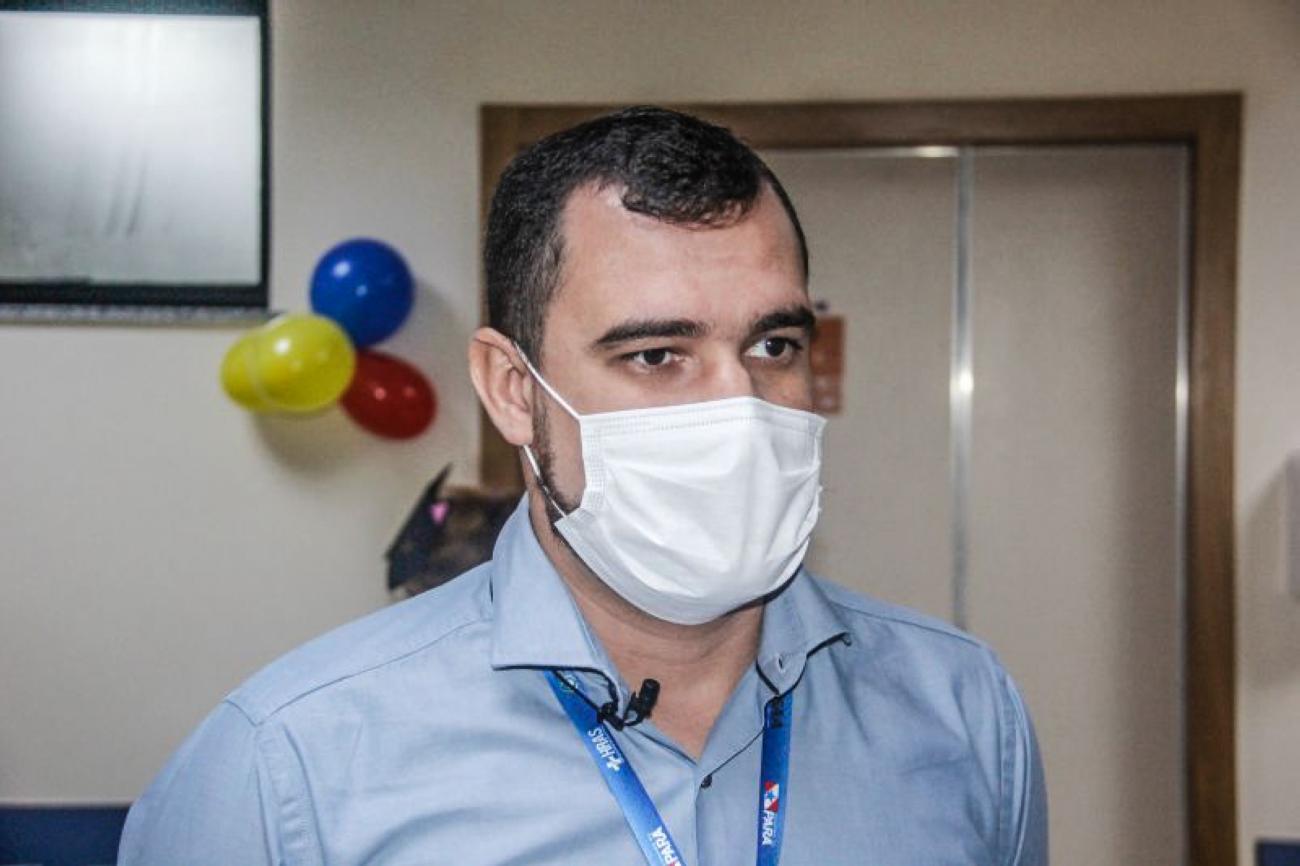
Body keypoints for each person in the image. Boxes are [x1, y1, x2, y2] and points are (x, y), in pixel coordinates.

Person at [118, 106, 1047, 865]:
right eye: (656, 354)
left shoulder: (964, 713)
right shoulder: (289, 767)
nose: (738, 406)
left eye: (773, 345)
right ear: (513, 391)